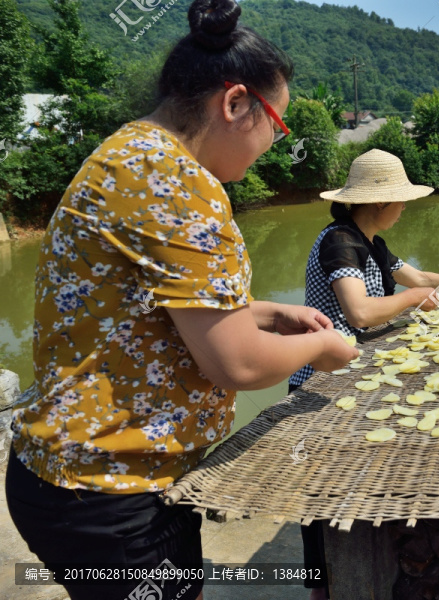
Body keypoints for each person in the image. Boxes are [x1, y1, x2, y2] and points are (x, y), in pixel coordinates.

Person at [4, 2, 357, 600]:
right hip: (110, 490)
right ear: (236, 103)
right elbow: (238, 365)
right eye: (278, 122)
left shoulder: (131, 153)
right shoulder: (179, 181)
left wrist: (272, 313)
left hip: (72, 479)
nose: (275, 142)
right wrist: (321, 345)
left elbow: (149, 312)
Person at [288, 148, 439, 599]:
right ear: (379, 203)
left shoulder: (371, 241)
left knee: (353, 474)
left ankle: (371, 552)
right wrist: (411, 302)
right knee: (322, 486)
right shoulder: (340, 241)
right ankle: (325, 584)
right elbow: (360, 312)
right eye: (401, 199)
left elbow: (421, 278)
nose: (404, 207)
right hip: (321, 378)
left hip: (353, 371)